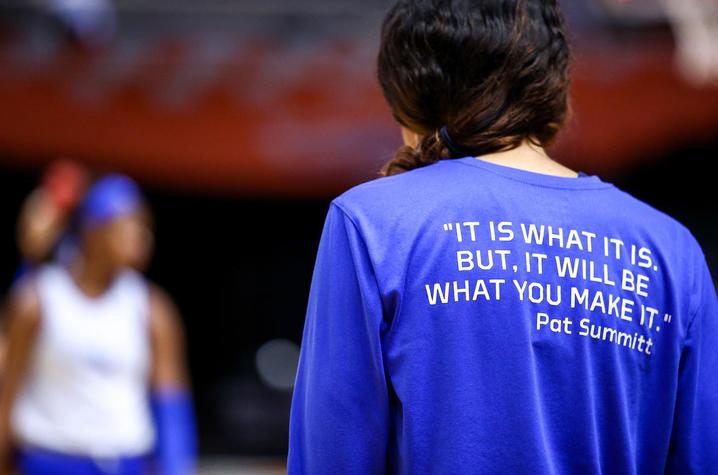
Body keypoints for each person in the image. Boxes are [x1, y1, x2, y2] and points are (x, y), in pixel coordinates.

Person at [288, 1, 718, 473]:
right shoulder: (669, 250)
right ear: (552, 90)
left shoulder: (372, 222)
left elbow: (331, 458)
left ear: (407, 95)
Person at [0, 174, 196, 475]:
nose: (142, 236)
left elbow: (171, 404)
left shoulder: (151, 309)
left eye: (144, 225)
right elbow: (7, 394)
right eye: (129, 224)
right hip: (49, 461)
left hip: (123, 462)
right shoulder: (38, 301)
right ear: (94, 230)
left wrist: (176, 469)